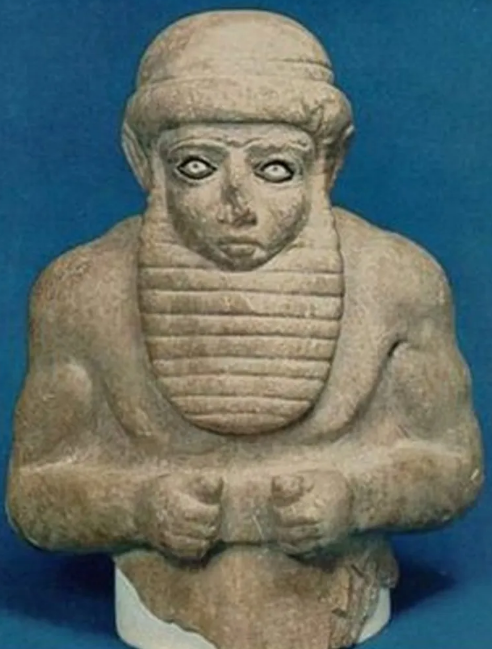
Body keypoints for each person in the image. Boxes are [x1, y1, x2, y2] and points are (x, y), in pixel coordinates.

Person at [6, 10, 483, 649]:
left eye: (275, 168)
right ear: (146, 163)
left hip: (342, 581)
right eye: (197, 167)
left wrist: (356, 498)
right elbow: (34, 489)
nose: (238, 205)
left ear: (327, 164)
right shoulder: (81, 292)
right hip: (157, 596)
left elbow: (454, 465)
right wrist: (139, 508)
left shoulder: (399, 282)